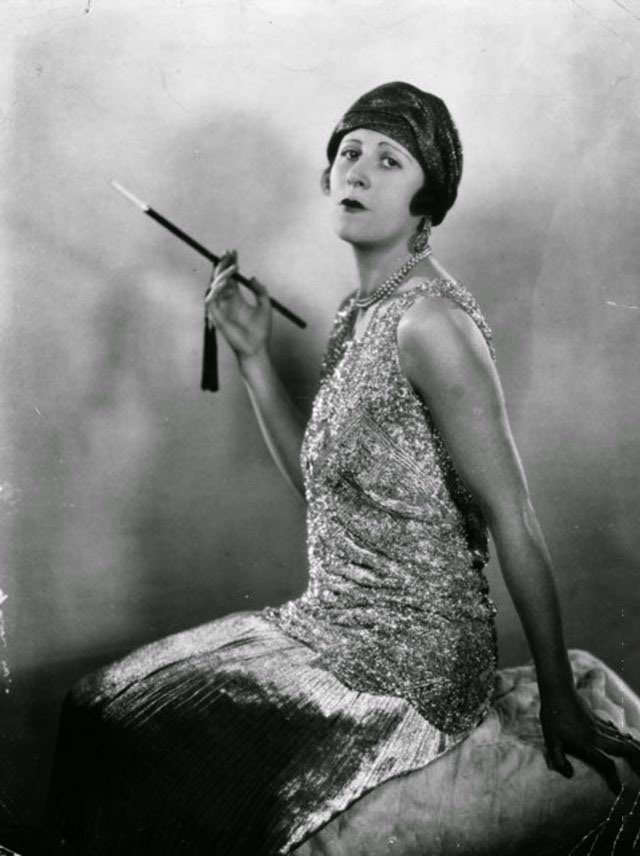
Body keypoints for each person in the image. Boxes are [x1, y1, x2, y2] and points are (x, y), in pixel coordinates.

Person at [43, 82, 640, 855]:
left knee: (134, 734)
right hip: (326, 628)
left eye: (388, 160)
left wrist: (558, 696)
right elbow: (325, 492)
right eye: (348, 152)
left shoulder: (434, 323)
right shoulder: (358, 315)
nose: (356, 170)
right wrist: (254, 357)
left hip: (411, 666)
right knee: (103, 709)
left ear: (428, 203)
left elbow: (514, 518)